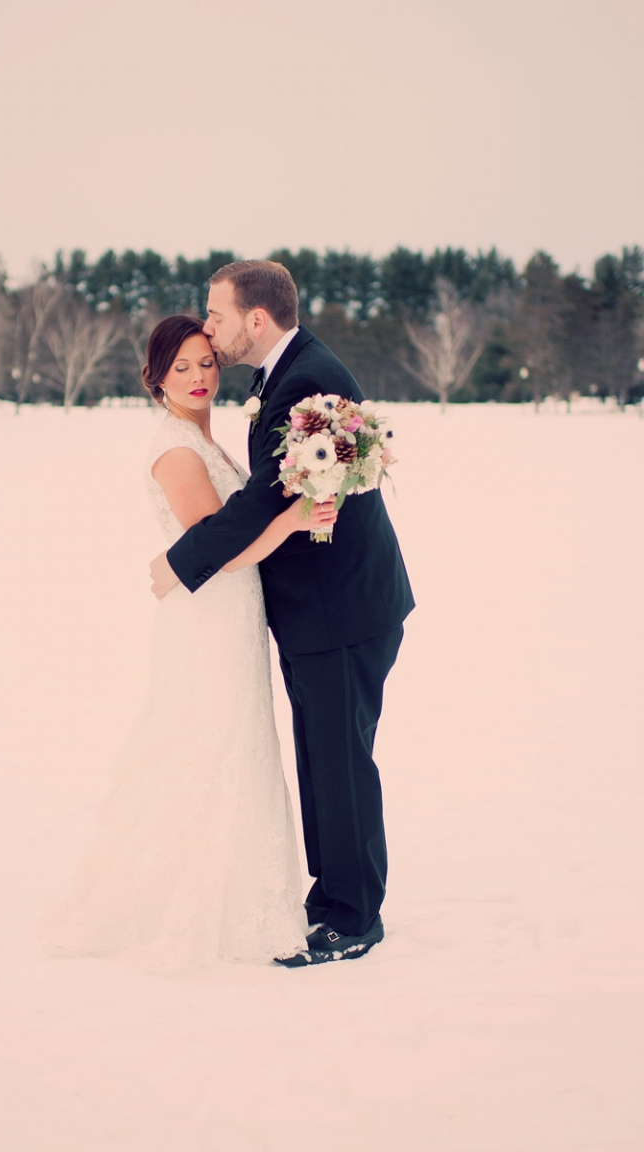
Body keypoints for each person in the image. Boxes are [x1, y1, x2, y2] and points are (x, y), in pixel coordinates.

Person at [48, 314, 337, 971]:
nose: (198, 377)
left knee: (233, 742)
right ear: (156, 378)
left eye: (206, 362)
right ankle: (182, 902)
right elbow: (221, 551)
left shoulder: (205, 439)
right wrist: (294, 520)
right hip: (208, 620)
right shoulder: (177, 450)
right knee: (206, 745)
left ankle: (239, 891)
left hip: (232, 616)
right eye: (180, 367)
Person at [150, 262, 415, 967]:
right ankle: (331, 898)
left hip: (341, 609)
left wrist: (179, 562)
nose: (210, 328)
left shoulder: (303, 379)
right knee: (323, 756)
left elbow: (264, 501)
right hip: (318, 610)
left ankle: (354, 915)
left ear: (256, 319)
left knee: (340, 760)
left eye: (217, 315)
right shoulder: (289, 372)